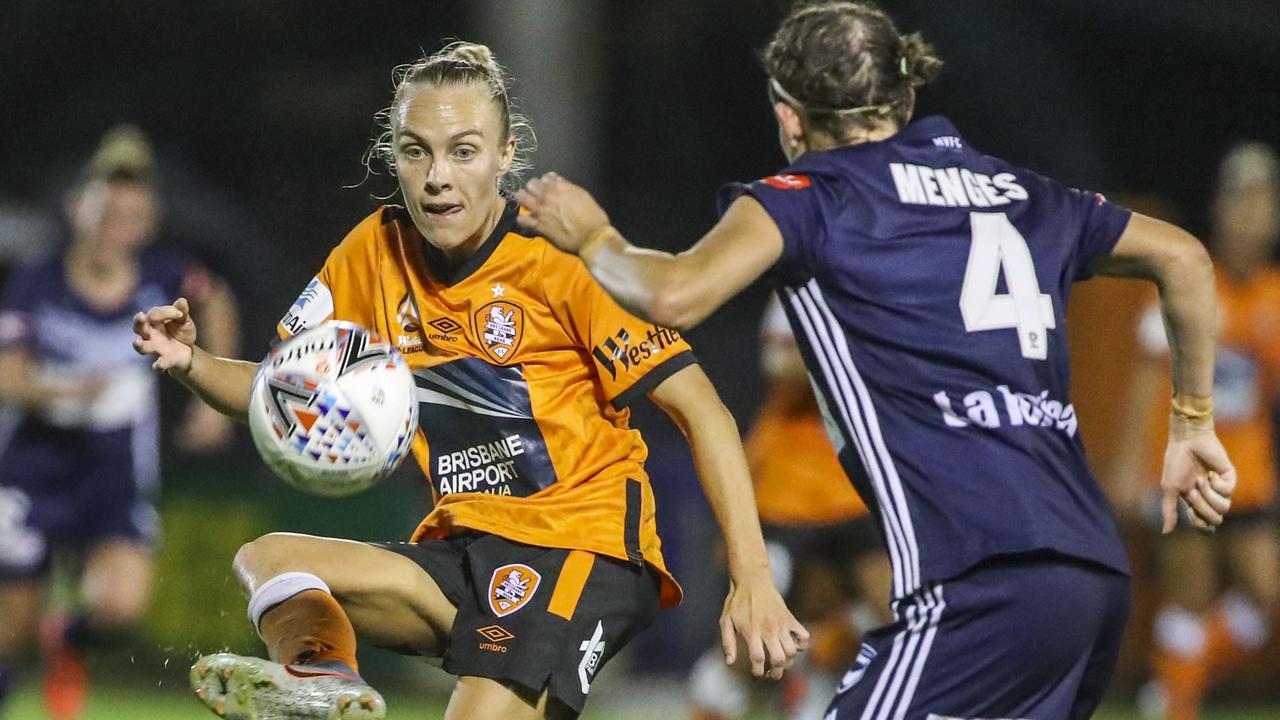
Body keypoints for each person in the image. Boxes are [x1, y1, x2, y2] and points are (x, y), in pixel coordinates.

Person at [515, 3, 1237, 718]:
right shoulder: (1019, 192)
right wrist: (1193, 422)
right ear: (908, 96)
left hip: (975, 581)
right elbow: (1183, 257)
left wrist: (595, 237)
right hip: (1091, 576)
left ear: (789, 117)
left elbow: (675, 293)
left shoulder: (812, 199)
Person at [132, 42, 805, 720]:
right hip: (462, 551)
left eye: (463, 151)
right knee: (270, 561)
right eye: (415, 150)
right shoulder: (372, 252)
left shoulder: (558, 260)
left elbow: (701, 408)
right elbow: (283, 391)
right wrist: (192, 363)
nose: (436, 178)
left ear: (506, 155)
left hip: (580, 544)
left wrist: (751, 579)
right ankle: (322, 685)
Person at [0, 126, 239, 719]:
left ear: (148, 225)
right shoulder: (38, 280)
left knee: (122, 609)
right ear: (78, 210)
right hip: (35, 463)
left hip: (114, 467)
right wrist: (61, 390)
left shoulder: (165, 277)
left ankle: (69, 641)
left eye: (131, 219)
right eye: (105, 214)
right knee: (9, 630)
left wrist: (213, 397)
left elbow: (218, 298)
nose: (116, 230)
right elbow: (7, 375)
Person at [1110, 143, 1280, 720]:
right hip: (1189, 465)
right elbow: (1145, 380)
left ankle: (1179, 676)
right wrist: (1130, 466)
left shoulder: (1274, 294)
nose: (1254, 215)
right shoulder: (1189, 275)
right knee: (1189, 592)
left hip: (1250, 472)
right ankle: (1177, 704)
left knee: (1268, 597)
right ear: (1220, 207)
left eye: (1264, 202)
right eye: (1243, 200)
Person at [689, 297, 892, 720]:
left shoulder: (875, 289)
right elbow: (779, 364)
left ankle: (819, 662)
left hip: (851, 496)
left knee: (897, 607)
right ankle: (719, 698)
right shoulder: (803, 292)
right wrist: (843, 356)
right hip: (785, 498)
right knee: (750, 637)